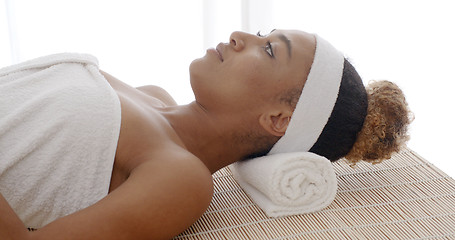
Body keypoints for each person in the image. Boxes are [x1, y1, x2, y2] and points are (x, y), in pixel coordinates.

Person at [0, 29, 411, 239]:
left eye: (268, 49)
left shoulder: (181, 178)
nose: (240, 36)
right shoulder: (151, 97)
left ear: (279, 119)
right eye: (263, 34)